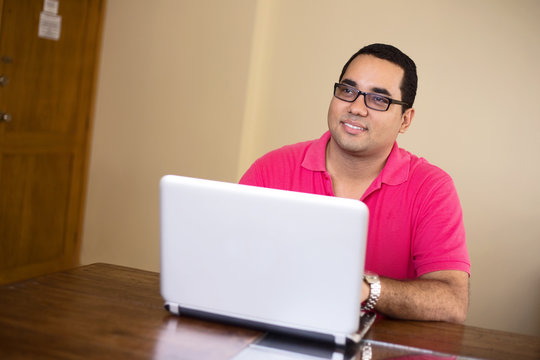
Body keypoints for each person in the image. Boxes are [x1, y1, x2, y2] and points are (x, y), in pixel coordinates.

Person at [239, 43, 470, 323]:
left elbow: (452, 303)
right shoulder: (270, 169)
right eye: (348, 91)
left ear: (405, 120)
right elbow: (229, 264)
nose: (356, 108)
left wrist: (364, 289)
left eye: (378, 99)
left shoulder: (432, 188)